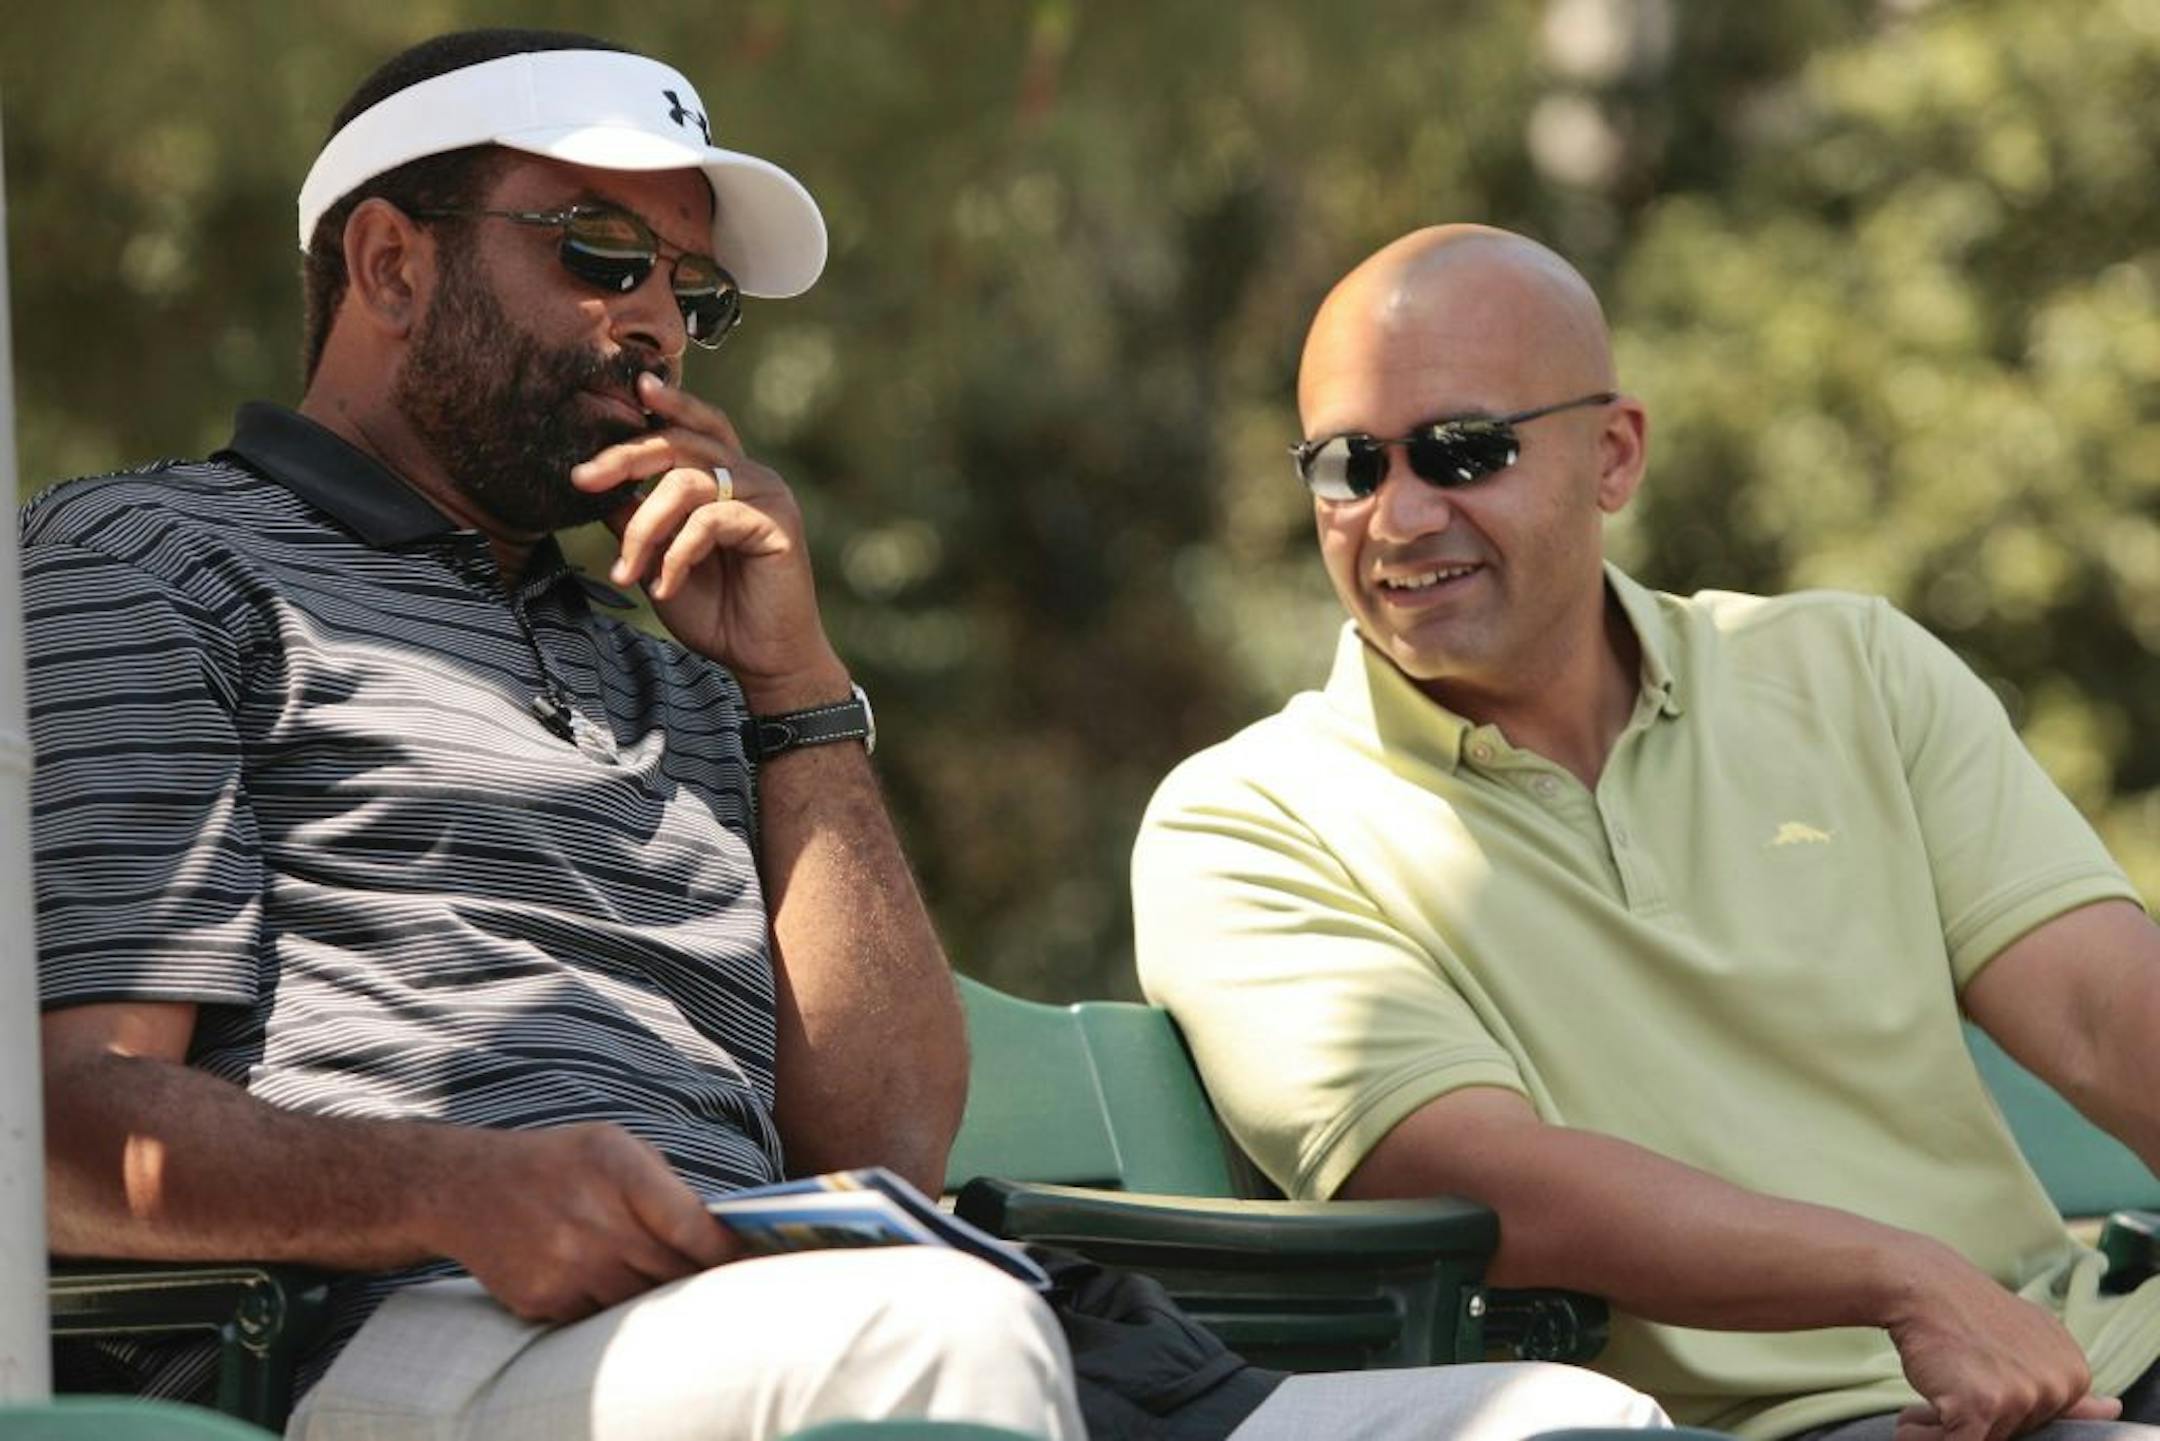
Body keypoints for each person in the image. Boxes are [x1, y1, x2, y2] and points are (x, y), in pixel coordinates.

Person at [23, 34, 1672, 1441]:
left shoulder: (669, 656)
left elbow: (886, 1141)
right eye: (598, 252)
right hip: (385, 1324)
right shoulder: (153, 564)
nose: (656, 324)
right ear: (391, 263)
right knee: (927, 1347)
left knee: (1566, 1417)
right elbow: (71, 1131)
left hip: (798, 1311)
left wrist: (794, 688)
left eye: (691, 290)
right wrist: (450, 1186)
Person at [1131, 223, 2160, 1441]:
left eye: (1464, 451)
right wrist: (1904, 1278)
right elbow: (1484, 1187)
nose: (1398, 515)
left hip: (2095, 1355)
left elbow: (2104, 1014)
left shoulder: (1851, 670)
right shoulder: (1248, 824)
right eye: (1349, 466)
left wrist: (1957, 1298)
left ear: (1613, 455)